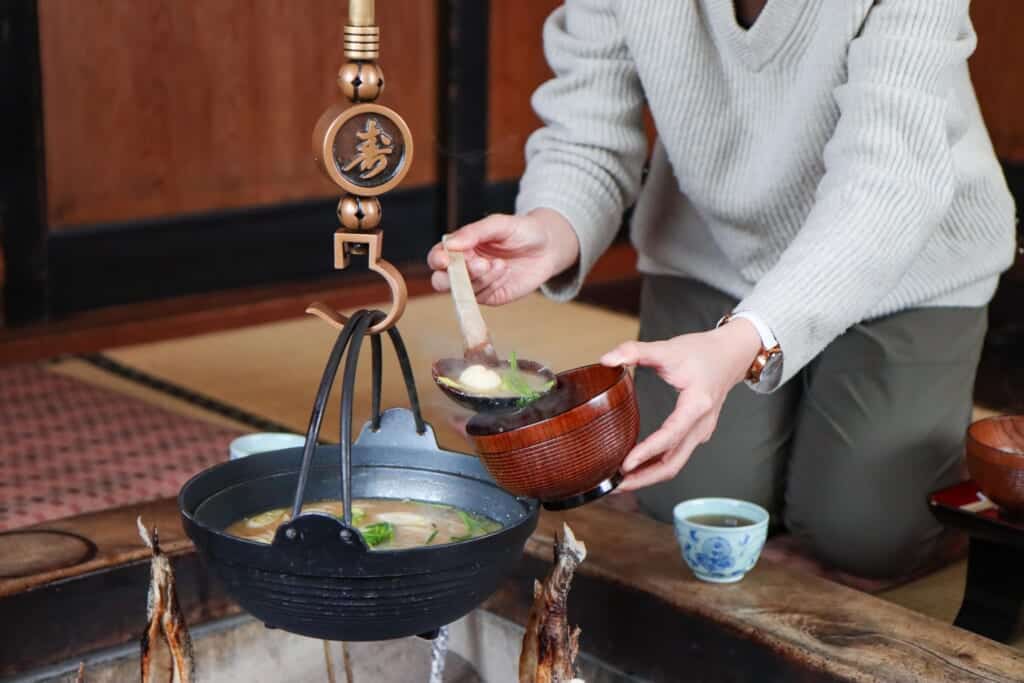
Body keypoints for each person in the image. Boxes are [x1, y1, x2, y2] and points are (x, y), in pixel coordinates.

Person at [427, 0, 1017, 579]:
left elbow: (890, 184)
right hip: (713, 252)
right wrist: (551, 229)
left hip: (906, 266)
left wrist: (749, 339)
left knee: (867, 537)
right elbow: (587, 128)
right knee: (680, 495)